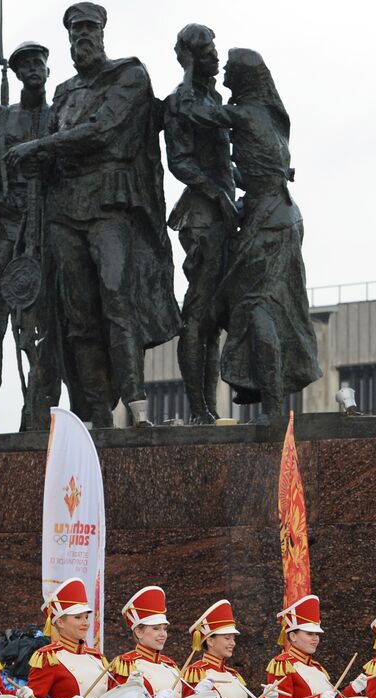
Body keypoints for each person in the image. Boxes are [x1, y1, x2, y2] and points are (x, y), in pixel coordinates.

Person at [5, 3, 182, 427]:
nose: (81, 35)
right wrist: (38, 160)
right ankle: (95, 411)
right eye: (75, 29)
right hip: (64, 210)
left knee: (118, 299)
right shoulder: (63, 91)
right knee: (78, 313)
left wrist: (39, 147)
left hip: (109, 204)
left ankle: (136, 404)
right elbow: (56, 143)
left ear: (102, 31)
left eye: (88, 27)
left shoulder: (129, 75)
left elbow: (103, 130)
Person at [205, 48, 321, 423]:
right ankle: (260, 389)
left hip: (271, 221)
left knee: (256, 306)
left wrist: (192, 71)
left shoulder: (246, 114)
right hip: (279, 216)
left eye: (229, 70)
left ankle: (270, 403)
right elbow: (258, 171)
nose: (223, 75)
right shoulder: (268, 115)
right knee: (256, 305)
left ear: (243, 76)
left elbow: (198, 112)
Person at [0, 41, 59, 430]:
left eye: (38, 63)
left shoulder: (58, 116)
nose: (32, 70)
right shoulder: (0, 118)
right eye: (24, 65)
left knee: (40, 325)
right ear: (16, 73)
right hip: (9, 226)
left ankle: (38, 411)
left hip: (46, 225)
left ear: (47, 69)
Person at [165, 23, 235, 425]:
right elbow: (179, 162)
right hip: (202, 217)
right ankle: (198, 409)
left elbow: (221, 162)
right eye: (208, 50)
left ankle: (208, 407)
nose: (216, 56)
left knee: (213, 320)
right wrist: (217, 193)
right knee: (197, 313)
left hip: (223, 217)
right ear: (192, 57)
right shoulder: (181, 100)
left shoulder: (213, 98)